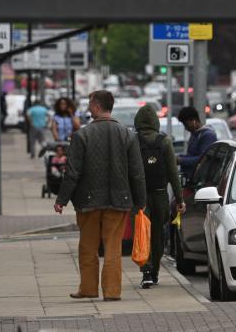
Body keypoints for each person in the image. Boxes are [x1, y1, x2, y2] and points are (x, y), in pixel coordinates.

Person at [53, 90, 146, 301]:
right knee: (113, 248)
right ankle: (112, 291)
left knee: (88, 246)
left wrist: (62, 200)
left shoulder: (82, 135)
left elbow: (73, 173)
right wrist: (140, 201)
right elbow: (137, 172)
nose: (87, 107)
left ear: (96, 106)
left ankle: (88, 288)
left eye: (89, 103)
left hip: (88, 202)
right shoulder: (127, 135)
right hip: (119, 201)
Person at [133, 104, 184, 289]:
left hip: (140, 196)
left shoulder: (133, 140)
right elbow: (173, 173)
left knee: (142, 232)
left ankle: (145, 271)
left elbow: (127, 171)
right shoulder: (165, 142)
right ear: (155, 122)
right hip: (161, 195)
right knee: (158, 235)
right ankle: (154, 271)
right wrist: (179, 199)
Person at [176, 106, 217, 180]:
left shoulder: (208, 135)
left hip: (200, 181)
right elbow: (191, 155)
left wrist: (181, 160)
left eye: (186, 124)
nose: (186, 128)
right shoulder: (195, 134)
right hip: (191, 179)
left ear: (194, 121)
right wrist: (179, 157)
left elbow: (202, 159)